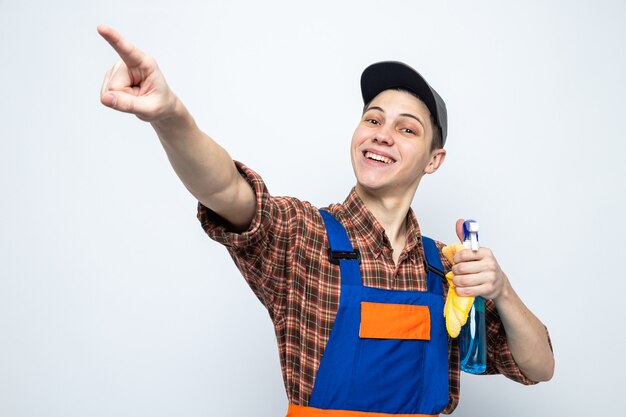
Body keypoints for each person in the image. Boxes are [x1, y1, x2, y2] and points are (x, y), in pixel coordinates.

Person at [98, 24, 554, 416]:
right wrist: (170, 116)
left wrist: (502, 291)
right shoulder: (303, 237)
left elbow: (539, 367)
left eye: (407, 128)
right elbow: (224, 190)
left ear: (434, 160)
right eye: (372, 119)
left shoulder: (448, 270)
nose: (382, 134)